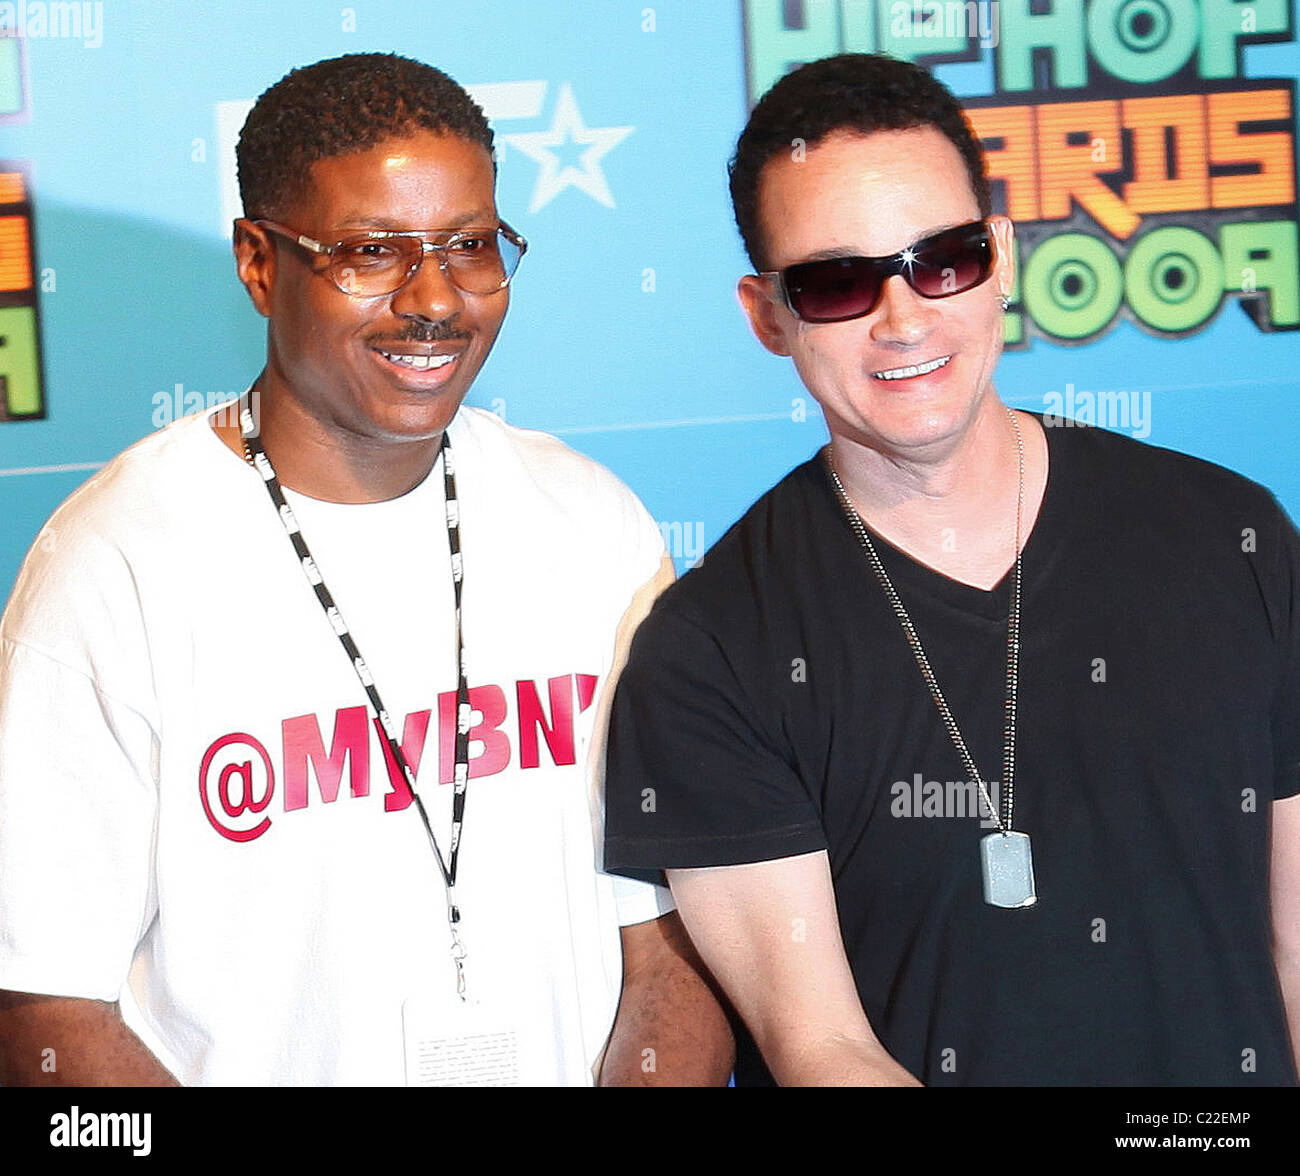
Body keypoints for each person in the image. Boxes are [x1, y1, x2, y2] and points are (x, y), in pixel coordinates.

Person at [0, 53, 732, 1087]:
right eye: (370, 252)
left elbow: (671, 942)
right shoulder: (114, 562)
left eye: (469, 245)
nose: (434, 299)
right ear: (260, 262)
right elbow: (45, 1008)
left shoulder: (592, 525)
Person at [603, 53, 1300, 1086]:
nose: (903, 318)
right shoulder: (710, 654)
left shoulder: (1230, 534)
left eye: (944, 258)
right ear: (767, 316)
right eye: (838, 281)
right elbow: (821, 1048)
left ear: (1003, 256)